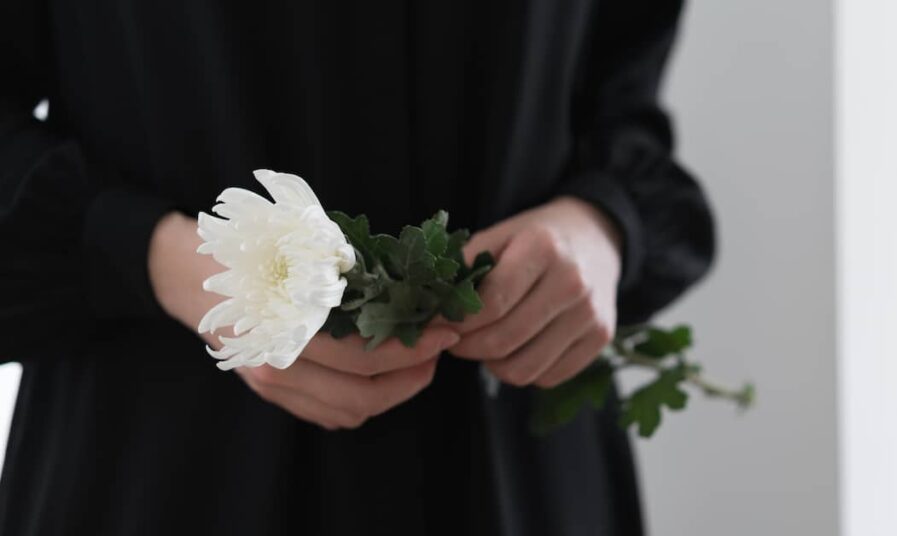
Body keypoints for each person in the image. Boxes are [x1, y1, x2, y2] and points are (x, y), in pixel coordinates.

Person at [0, 1, 713, 534]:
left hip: (518, 459)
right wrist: (163, 259)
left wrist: (598, 227)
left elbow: (622, 100)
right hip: (164, 463)